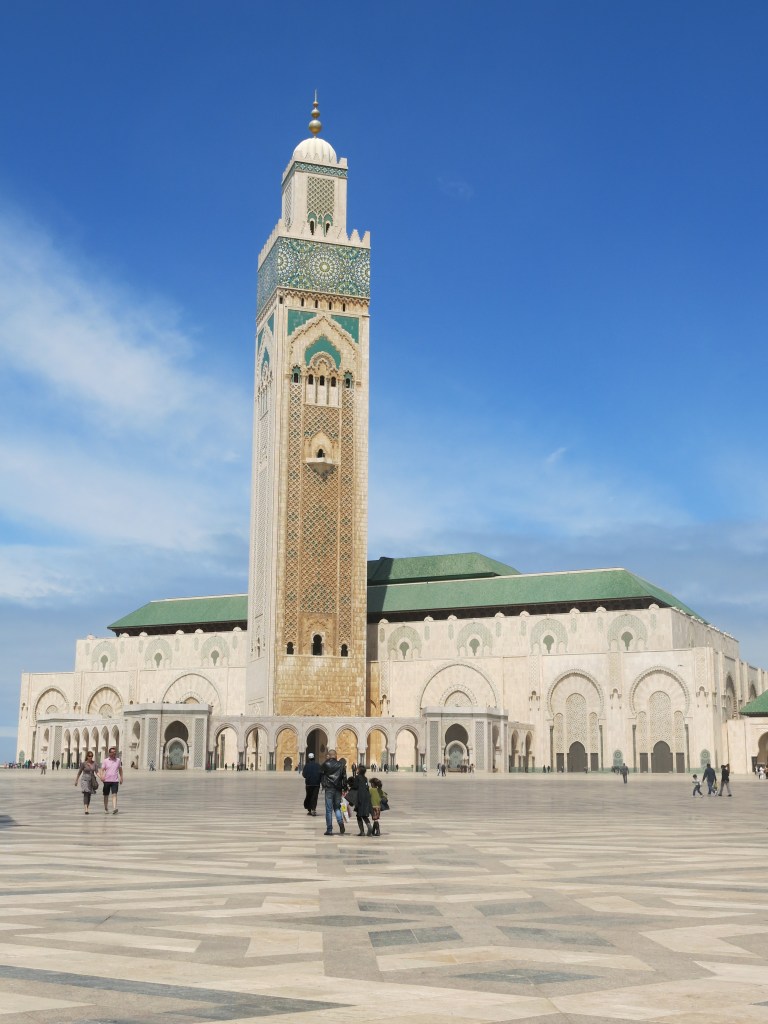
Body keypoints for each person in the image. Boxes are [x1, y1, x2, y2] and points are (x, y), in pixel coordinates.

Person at [320, 749, 347, 836]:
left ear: (329, 755)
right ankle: (340, 822)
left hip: (329, 788)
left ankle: (329, 829)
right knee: (337, 808)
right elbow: (344, 777)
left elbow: (320, 773)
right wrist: (345, 788)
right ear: (336, 755)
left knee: (328, 810)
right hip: (338, 789)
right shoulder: (341, 764)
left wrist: (323, 784)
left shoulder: (326, 764)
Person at [100, 745, 123, 814]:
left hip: (115, 781)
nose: (114, 753)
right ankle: (106, 808)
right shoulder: (105, 761)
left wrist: (121, 777)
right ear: (109, 753)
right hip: (107, 781)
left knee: (114, 794)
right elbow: (102, 769)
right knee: (106, 795)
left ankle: (114, 808)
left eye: (115, 752)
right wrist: (101, 776)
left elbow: (120, 769)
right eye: (112, 752)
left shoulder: (118, 760)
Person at [353, 765, 373, 836]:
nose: (356, 770)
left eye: (357, 769)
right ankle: (369, 825)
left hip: (360, 797)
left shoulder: (357, 777)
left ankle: (362, 831)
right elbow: (367, 786)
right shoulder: (365, 778)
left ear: (359, 770)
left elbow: (355, 786)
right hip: (366, 796)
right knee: (364, 814)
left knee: (359, 815)